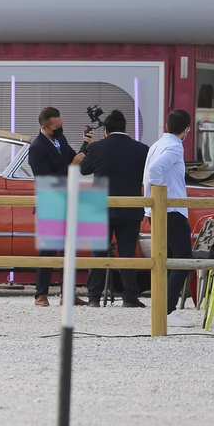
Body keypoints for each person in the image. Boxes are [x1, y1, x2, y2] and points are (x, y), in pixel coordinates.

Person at [77, 110, 149, 307]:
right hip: (130, 209)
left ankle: (94, 297)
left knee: (98, 253)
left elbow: (83, 169)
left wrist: (87, 146)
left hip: (101, 209)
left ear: (105, 130)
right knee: (128, 254)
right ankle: (130, 297)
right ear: (125, 128)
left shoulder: (98, 147)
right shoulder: (141, 149)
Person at [29, 106, 86, 307]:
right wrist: (71, 167)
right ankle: (41, 294)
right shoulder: (37, 148)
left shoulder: (60, 139)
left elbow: (74, 157)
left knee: (69, 249)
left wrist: (86, 146)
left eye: (61, 124)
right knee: (48, 249)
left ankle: (68, 293)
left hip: (68, 201)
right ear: (45, 127)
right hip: (50, 202)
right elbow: (45, 179)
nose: (60, 129)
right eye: (57, 126)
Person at [144, 109, 195, 323]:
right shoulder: (175, 146)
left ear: (167, 126)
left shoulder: (157, 144)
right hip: (171, 211)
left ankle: (162, 308)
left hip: (156, 211)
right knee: (183, 259)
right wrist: (160, 193)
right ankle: (167, 310)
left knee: (164, 260)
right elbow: (155, 170)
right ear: (187, 130)